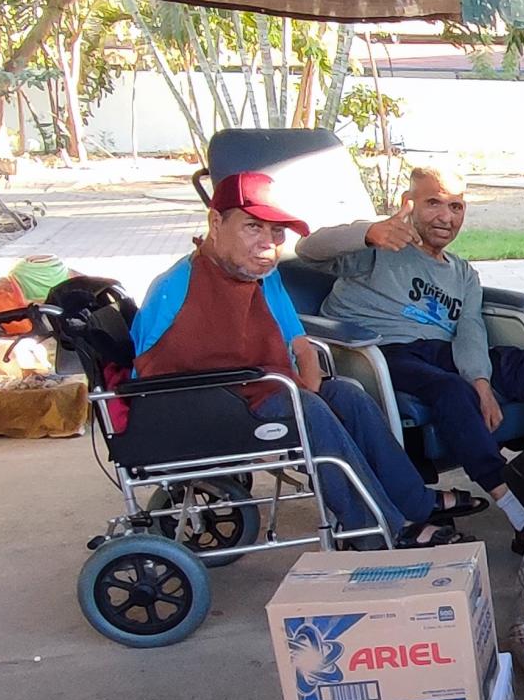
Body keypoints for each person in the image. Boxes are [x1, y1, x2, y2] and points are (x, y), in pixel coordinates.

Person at [133, 172, 468, 548]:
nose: (268, 244)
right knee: (308, 410)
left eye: (276, 233)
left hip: (258, 388)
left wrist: (309, 373)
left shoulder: (262, 275)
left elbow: (300, 342)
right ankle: (375, 528)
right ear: (216, 223)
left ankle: (416, 502)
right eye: (253, 227)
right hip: (200, 404)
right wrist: (298, 391)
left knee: (348, 395)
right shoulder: (175, 286)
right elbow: (149, 375)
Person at [298, 165, 524, 541]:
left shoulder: (462, 273)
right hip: (379, 350)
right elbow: (307, 249)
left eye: (456, 207)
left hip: (439, 349)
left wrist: (482, 382)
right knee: (451, 390)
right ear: (409, 204)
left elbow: (470, 329)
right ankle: (513, 506)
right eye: (434, 203)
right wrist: (369, 232)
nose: (445, 216)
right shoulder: (379, 248)